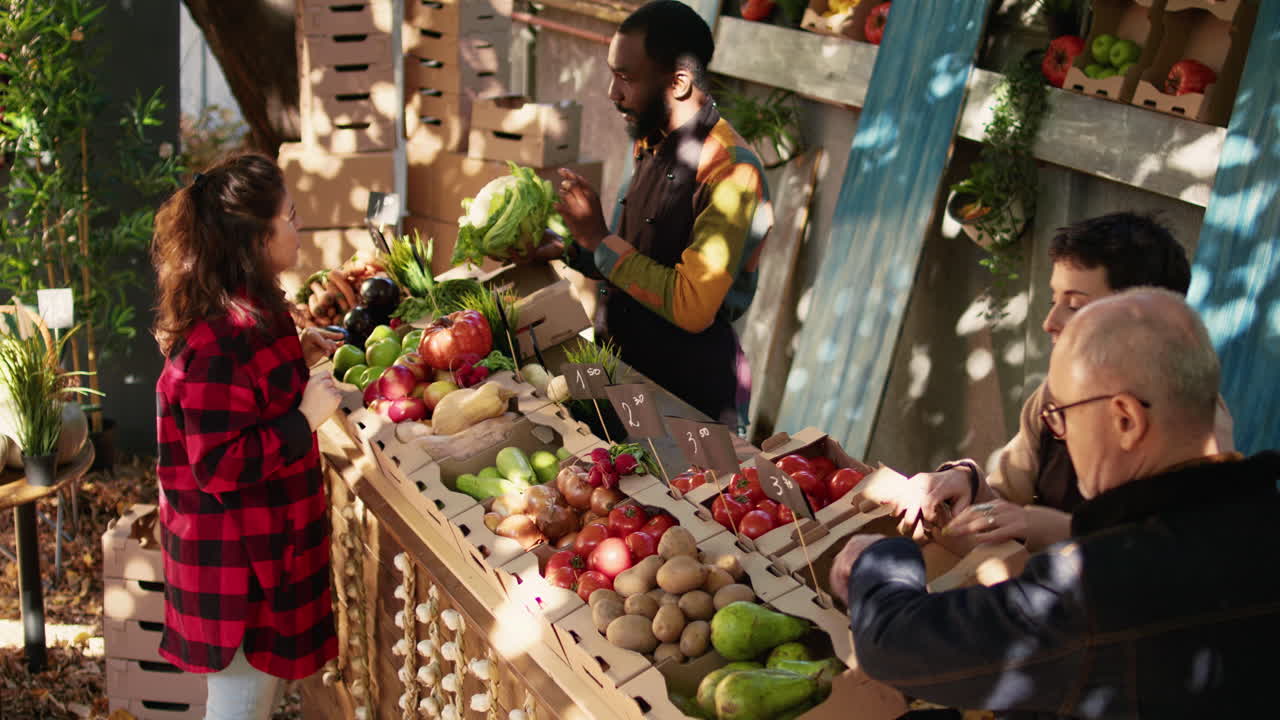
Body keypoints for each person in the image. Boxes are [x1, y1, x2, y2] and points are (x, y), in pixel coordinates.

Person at [829, 288, 1280, 718]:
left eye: (1062, 414)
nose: (1058, 431)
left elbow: (895, 646)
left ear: (1125, 419)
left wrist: (879, 560)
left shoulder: (1100, 586)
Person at [859, 212, 1232, 551]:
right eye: (1054, 300)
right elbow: (1007, 498)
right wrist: (966, 481)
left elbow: (1178, 561)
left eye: (1075, 305)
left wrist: (1056, 529)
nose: (1050, 322)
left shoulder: (1196, 427)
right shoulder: (1052, 400)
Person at [151, 153, 344, 719]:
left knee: (254, 699)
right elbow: (220, 464)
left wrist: (296, 363)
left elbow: (252, 402)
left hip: (267, 555)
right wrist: (303, 418)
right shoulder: (215, 341)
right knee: (238, 704)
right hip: (235, 573)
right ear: (258, 240)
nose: (301, 228)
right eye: (291, 217)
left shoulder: (260, 313)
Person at [528, 0, 773, 428]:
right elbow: (636, 261)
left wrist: (597, 239)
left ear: (678, 83)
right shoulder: (653, 140)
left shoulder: (732, 170)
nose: (612, 92)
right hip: (625, 374)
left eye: (626, 78)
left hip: (688, 401)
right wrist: (568, 248)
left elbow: (692, 305)